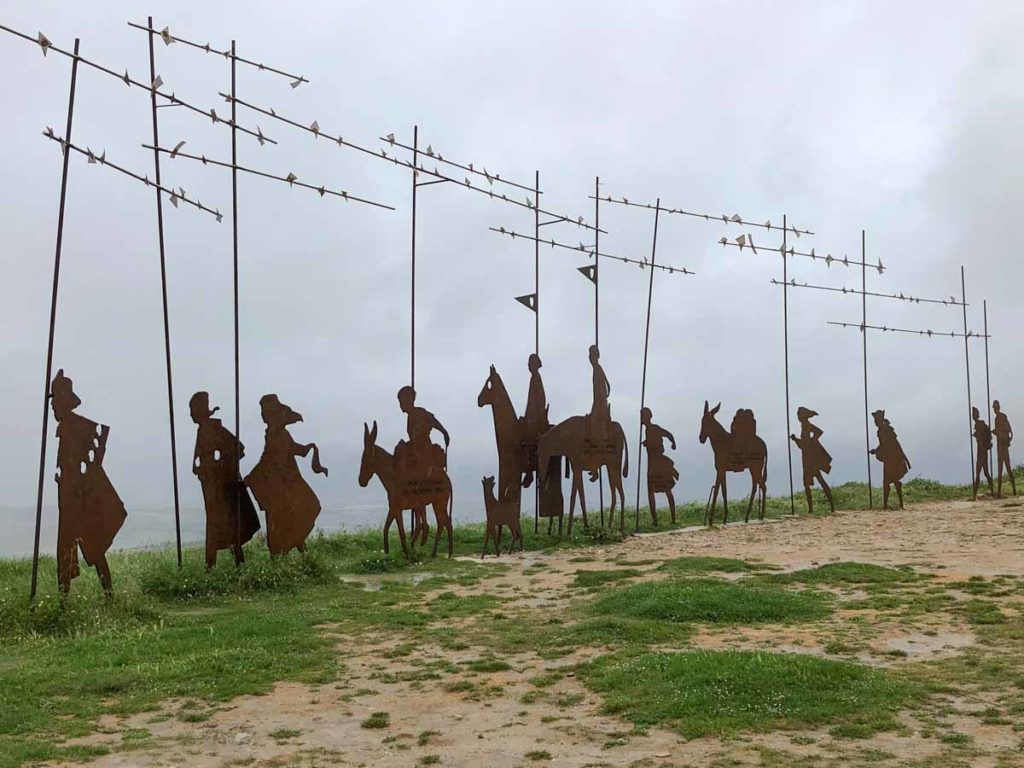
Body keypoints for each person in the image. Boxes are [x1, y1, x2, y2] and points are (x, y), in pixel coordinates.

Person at [50, 370, 127, 594]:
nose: (52, 406)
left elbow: (95, 449)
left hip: (78, 497)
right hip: (69, 496)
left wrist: (81, 477)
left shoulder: (77, 426)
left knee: (91, 546)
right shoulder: (66, 427)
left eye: (54, 401)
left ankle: (107, 593)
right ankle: (65, 601)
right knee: (66, 549)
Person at [244, 394, 328, 555]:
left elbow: (273, 457)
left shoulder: (279, 434)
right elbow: (268, 458)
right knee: (282, 520)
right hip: (278, 487)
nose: (263, 415)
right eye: (262, 412)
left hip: (283, 485)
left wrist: (310, 448)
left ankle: (294, 553)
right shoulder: (273, 434)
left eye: (265, 412)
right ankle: (288, 555)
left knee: (297, 513)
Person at [190, 391, 260, 568]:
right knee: (218, 525)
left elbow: (238, 449)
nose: (191, 414)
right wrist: (201, 468)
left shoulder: (214, 429)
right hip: (210, 487)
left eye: (193, 410)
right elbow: (198, 461)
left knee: (222, 524)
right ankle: (232, 563)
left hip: (221, 488)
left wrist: (219, 465)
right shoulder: (203, 431)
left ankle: (214, 565)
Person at [790, 406, 834, 514]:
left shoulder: (807, 425)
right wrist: (796, 439)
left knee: (817, 481)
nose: (798, 417)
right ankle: (813, 508)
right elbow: (803, 444)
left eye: (798, 415)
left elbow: (818, 432)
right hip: (806, 457)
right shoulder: (804, 426)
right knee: (813, 481)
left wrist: (812, 441)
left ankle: (820, 507)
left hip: (810, 459)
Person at [641, 407, 679, 525]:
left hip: (657, 464)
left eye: (642, 417)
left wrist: (673, 443)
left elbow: (668, 435)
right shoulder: (648, 430)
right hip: (653, 463)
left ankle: (671, 519)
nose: (641, 419)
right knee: (653, 491)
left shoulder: (654, 428)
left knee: (665, 489)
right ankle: (656, 520)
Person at [869, 409, 911, 510]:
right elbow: (883, 445)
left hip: (893, 458)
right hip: (888, 458)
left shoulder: (887, 429)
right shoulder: (880, 431)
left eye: (877, 420)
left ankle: (899, 504)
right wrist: (876, 451)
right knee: (887, 481)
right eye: (875, 420)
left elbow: (891, 443)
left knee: (894, 480)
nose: (875, 422)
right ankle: (885, 504)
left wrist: (877, 451)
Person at [522, 354, 549, 488]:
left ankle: (529, 472)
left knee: (527, 441)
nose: (528, 366)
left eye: (530, 363)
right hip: (531, 416)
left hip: (536, 419)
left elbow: (540, 399)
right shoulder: (534, 378)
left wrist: (535, 416)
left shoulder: (536, 378)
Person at [993, 400, 1016, 497]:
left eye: (995, 407)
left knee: (1007, 468)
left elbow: (1008, 430)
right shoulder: (997, 418)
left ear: (998, 407)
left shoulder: (1002, 417)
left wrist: (1006, 438)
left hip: (1003, 447)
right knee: (1000, 469)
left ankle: (1014, 490)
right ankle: (999, 492)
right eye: (994, 407)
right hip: (1000, 446)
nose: (995, 409)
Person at [972, 406, 995, 500]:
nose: (973, 416)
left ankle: (975, 494)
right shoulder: (978, 425)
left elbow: (986, 434)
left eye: (974, 414)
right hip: (980, 450)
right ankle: (976, 494)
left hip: (982, 451)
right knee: (983, 472)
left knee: (982, 472)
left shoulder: (980, 424)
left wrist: (978, 436)